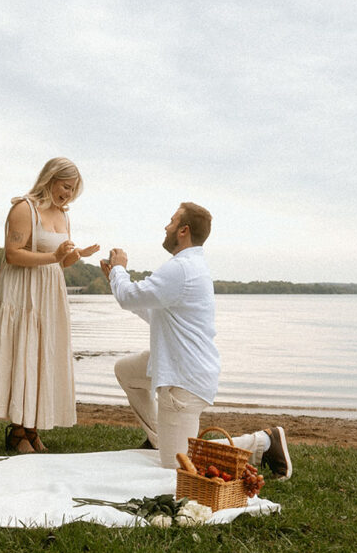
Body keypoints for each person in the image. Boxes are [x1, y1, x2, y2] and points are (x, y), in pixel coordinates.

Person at [101, 202, 292, 478]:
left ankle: (264, 442)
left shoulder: (181, 269)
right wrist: (115, 280)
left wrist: (119, 269)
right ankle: (160, 437)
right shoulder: (186, 267)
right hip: (175, 364)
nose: (166, 227)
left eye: (171, 221)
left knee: (177, 465)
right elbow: (153, 313)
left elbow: (128, 296)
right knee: (125, 370)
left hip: (183, 378)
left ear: (183, 230)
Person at [0, 157, 100, 453]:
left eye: (73, 190)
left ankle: (31, 429)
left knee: (42, 354)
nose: (68, 194)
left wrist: (75, 255)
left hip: (50, 292)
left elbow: (63, 260)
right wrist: (55, 257)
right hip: (23, 292)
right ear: (50, 179)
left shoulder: (63, 215)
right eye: (65, 187)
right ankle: (17, 431)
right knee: (23, 350)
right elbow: (12, 254)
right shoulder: (24, 208)